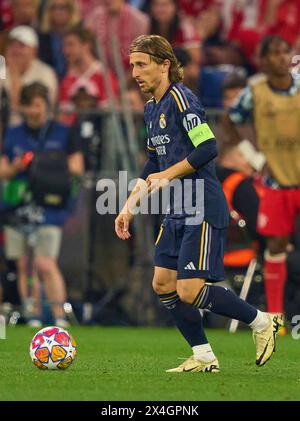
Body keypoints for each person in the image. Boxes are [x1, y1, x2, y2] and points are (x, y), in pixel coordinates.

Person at [114, 34, 283, 372]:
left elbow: (208, 148)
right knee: (163, 284)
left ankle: (262, 321)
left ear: (165, 65)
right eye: (132, 65)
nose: (134, 72)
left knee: (189, 290)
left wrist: (169, 174)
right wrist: (129, 204)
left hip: (201, 206)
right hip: (176, 209)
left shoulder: (182, 98)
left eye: (141, 64)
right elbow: (153, 164)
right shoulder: (151, 109)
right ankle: (204, 355)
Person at [223, 35, 300, 325]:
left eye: (285, 51)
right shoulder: (254, 91)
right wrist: (255, 158)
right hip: (276, 183)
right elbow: (231, 123)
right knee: (277, 245)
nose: (281, 58)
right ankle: (276, 318)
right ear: (264, 60)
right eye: (274, 53)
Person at [0, 82, 84, 326]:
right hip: (17, 205)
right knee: (23, 263)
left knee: (45, 262)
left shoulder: (62, 132)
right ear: (23, 108)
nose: (34, 111)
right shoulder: (14, 133)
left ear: (46, 106)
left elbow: (77, 167)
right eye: (29, 106)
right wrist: (17, 166)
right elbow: (4, 169)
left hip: (50, 206)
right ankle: (33, 314)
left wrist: (43, 164)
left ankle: (60, 316)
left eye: (38, 105)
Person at [2, 25, 58, 126]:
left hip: (37, 130)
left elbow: (36, 110)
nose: (15, 50)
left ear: (34, 50)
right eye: (12, 45)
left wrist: (14, 75)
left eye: (21, 46)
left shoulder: (45, 73)